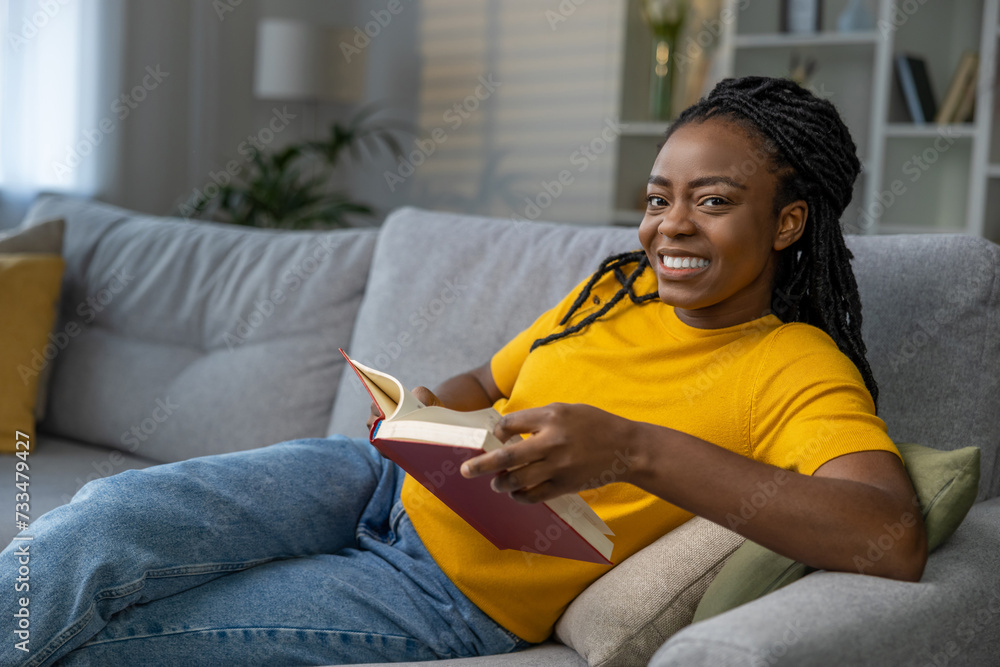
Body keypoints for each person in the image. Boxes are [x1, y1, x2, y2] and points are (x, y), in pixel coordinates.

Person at [1, 76, 926, 666]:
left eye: (713, 202)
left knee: (123, 641)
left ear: (789, 223)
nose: (670, 227)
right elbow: (487, 380)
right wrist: (433, 407)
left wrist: (636, 451)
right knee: (108, 517)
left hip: (450, 592)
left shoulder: (795, 364)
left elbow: (889, 536)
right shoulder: (614, 291)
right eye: (658, 199)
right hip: (379, 476)